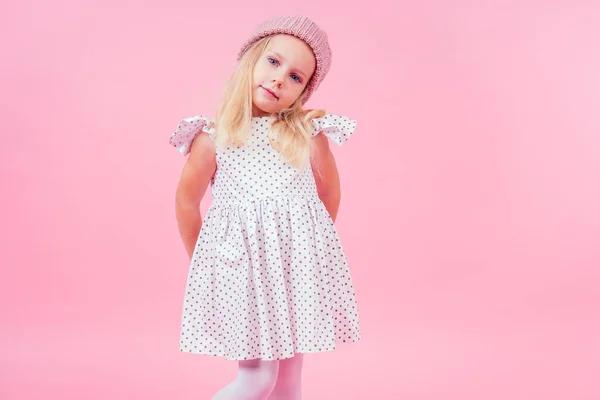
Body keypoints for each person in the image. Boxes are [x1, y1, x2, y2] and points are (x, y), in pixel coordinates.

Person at [169, 15, 361, 400]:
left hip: (294, 276)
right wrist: (206, 263)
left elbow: (328, 197)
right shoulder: (214, 138)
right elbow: (186, 203)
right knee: (257, 380)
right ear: (251, 60)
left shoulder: (307, 136)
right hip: (242, 277)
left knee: (289, 380)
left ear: (304, 92)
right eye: (273, 62)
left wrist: (306, 253)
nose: (279, 79)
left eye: (295, 77)